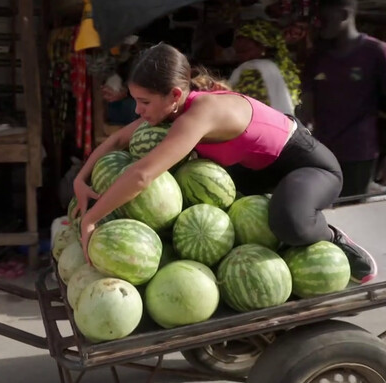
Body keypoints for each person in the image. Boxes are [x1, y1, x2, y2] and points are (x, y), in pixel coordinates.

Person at [73, 42, 377, 285]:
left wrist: (92, 218)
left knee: (290, 224)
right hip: (257, 171)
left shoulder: (200, 114)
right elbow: (116, 141)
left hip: (307, 166)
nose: (138, 111)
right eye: (135, 100)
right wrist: (81, 180)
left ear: (175, 95)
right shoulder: (173, 110)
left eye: (145, 102)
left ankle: (332, 236)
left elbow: (142, 175)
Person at [297, 0, 386, 196]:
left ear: (344, 15)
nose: (317, 25)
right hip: (321, 152)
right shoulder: (317, 57)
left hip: (359, 152)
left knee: (353, 211)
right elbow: (307, 105)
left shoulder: (376, 53)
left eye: (323, 20)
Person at [229, 19, 301, 115]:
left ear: (263, 48)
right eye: (237, 51)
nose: (240, 56)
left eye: (245, 50)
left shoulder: (252, 72)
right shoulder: (286, 70)